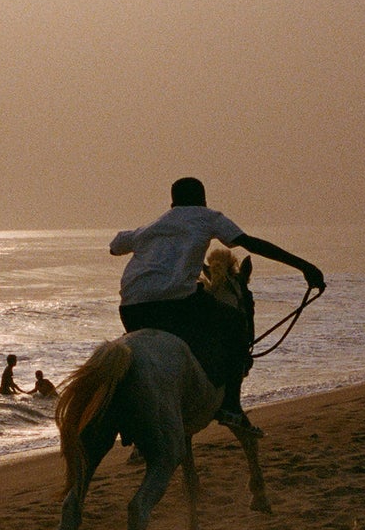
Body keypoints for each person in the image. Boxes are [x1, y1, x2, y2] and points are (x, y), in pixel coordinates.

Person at [112, 177, 325, 434]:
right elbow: (250, 244)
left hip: (131, 308)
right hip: (174, 303)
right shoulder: (209, 217)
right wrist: (305, 266)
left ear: (171, 203)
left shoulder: (150, 227)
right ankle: (231, 406)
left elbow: (115, 246)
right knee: (234, 322)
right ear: (203, 200)